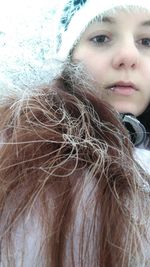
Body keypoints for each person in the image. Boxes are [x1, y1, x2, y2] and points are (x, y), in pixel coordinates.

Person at [0, 0, 150, 266]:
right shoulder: (27, 159)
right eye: (101, 38)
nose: (128, 55)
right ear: (68, 57)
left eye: (147, 42)